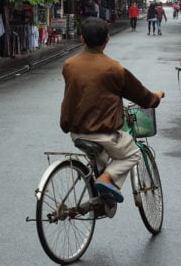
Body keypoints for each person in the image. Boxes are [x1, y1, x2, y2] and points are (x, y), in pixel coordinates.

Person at [60, 18, 164, 202]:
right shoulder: (113, 68)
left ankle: (101, 193)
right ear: (107, 39)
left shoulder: (69, 65)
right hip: (103, 135)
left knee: (100, 164)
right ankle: (107, 178)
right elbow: (141, 96)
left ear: (82, 39)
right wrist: (155, 97)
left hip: (76, 132)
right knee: (133, 153)